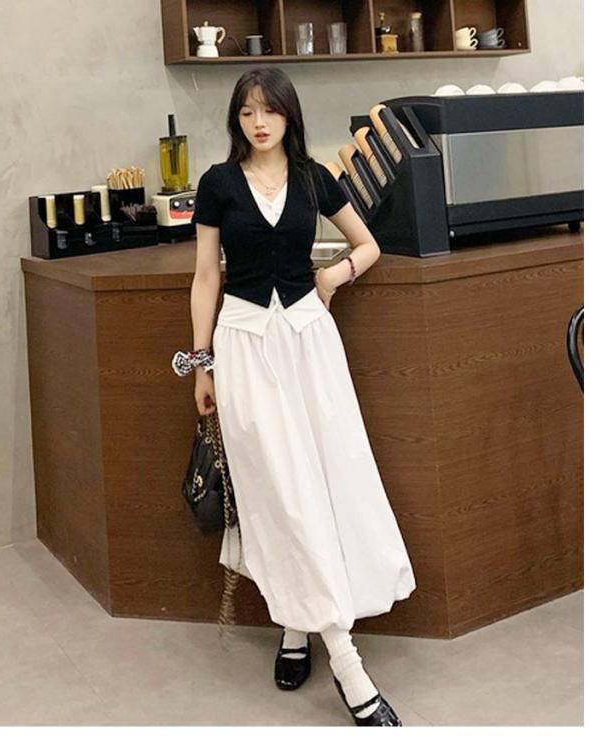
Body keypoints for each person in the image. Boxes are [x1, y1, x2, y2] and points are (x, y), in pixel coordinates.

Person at [182, 66, 416, 726]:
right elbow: (205, 277)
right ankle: (348, 665)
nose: (259, 122)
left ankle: (295, 628)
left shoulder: (314, 178)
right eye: (247, 112)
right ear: (236, 120)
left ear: (289, 115)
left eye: (270, 110)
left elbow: (369, 246)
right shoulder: (218, 184)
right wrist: (201, 364)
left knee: (325, 485)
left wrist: (335, 275)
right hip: (244, 346)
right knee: (281, 492)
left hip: (311, 343)